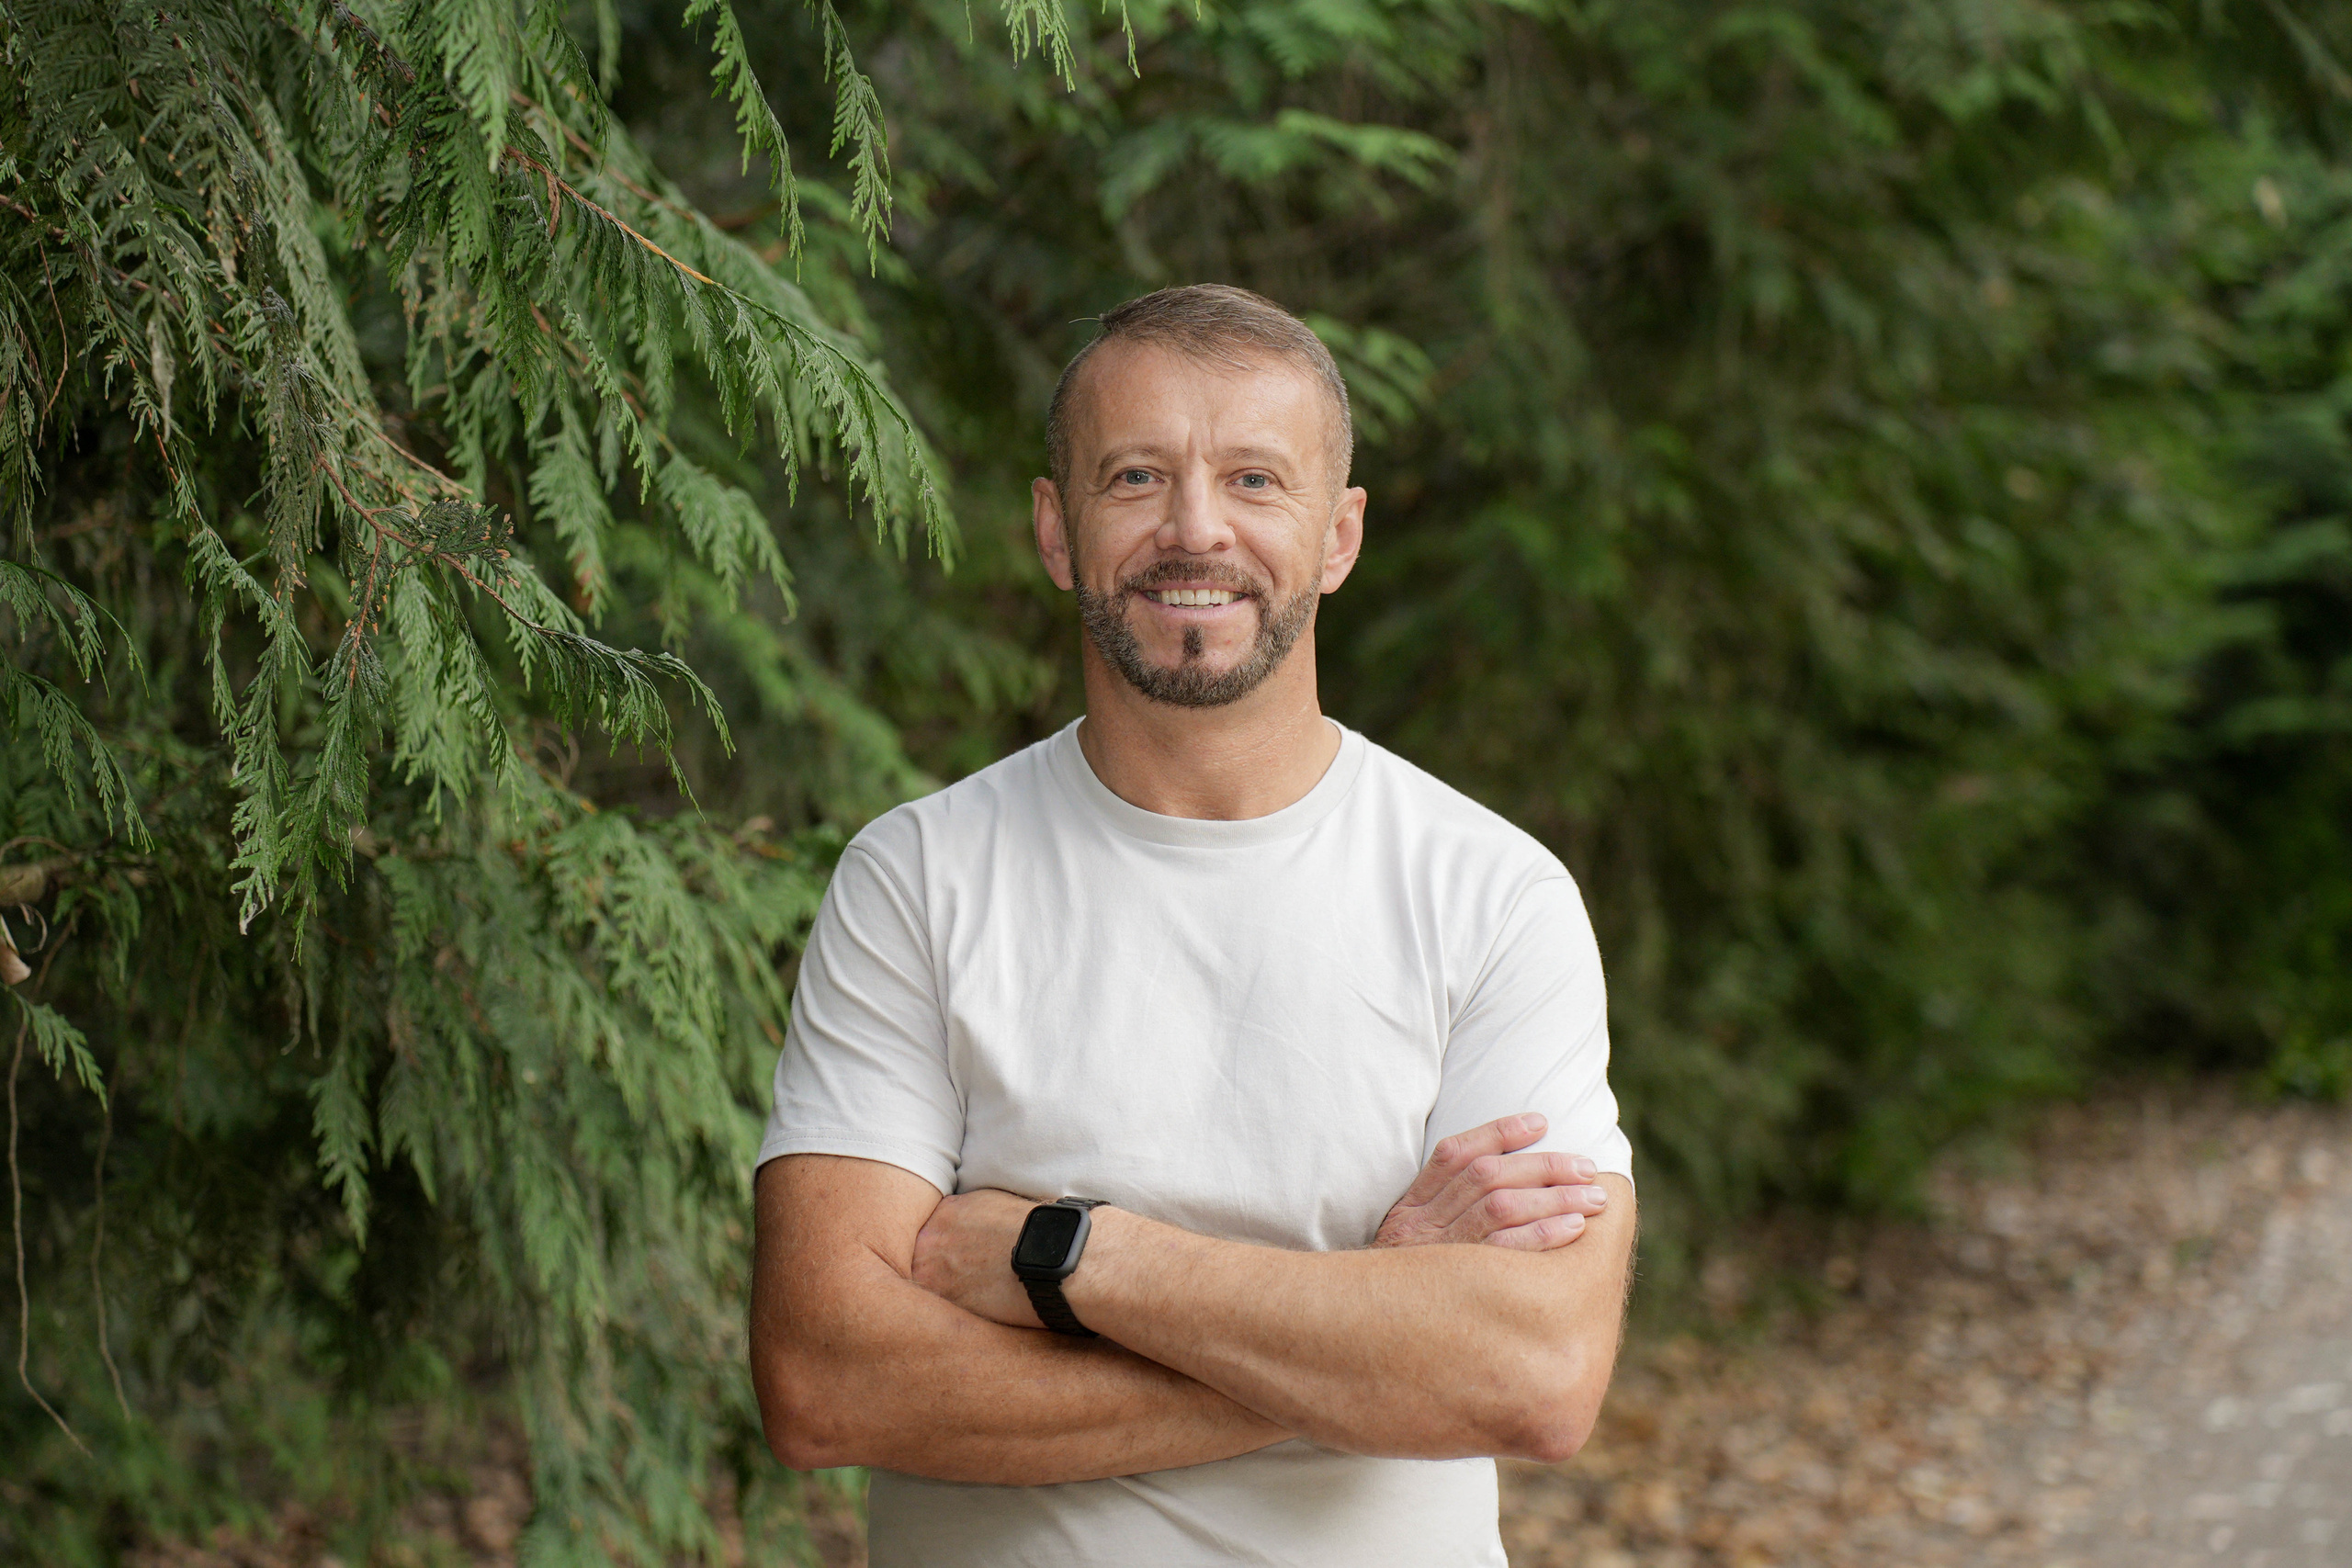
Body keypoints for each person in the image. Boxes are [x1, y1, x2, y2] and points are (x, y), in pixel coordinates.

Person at [748, 284, 1636, 1568]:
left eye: (1256, 481)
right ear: (1057, 529)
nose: (1196, 529)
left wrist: (1074, 1258)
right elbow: (828, 1381)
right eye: (1135, 478)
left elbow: (1535, 1376)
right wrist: (1365, 1335)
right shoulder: (918, 879)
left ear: (1339, 536)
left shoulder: (1493, 894)